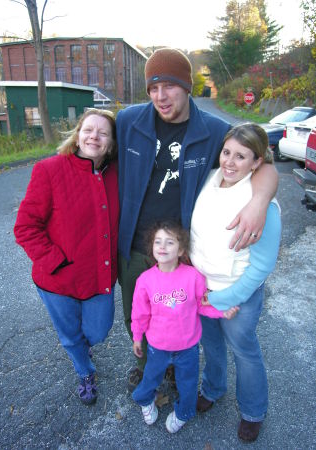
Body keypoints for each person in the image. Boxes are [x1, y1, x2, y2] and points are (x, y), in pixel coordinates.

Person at [116, 47, 279, 393]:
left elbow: (261, 162)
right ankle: (146, 363)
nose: (161, 96)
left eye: (170, 86)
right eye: (153, 88)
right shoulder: (128, 122)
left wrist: (261, 199)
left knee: (176, 314)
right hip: (134, 243)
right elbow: (93, 148)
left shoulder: (216, 131)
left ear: (187, 87)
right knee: (137, 311)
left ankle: (173, 367)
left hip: (182, 250)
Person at [14, 108, 119, 405]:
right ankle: (85, 371)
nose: (94, 136)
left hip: (99, 276)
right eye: (88, 129)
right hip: (57, 279)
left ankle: (84, 349)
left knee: (97, 332)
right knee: (71, 336)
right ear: (77, 135)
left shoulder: (117, 175)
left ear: (111, 143)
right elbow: (25, 227)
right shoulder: (49, 170)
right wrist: (55, 262)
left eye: (102, 132)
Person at [190, 123, 282, 442]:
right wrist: (201, 291)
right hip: (203, 290)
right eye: (226, 152)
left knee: (244, 351)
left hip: (237, 296)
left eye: (240, 157)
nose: (229, 162)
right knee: (211, 345)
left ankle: (253, 411)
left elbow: (262, 266)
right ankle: (213, 388)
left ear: (257, 163)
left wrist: (224, 299)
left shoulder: (261, 202)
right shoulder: (209, 179)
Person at [131, 220, 239, 433]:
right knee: (151, 377)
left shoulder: (193, 277)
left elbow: (202, 305)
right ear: (152, 248)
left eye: (169, 242)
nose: (162, 247)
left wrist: (222, 312)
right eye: (158, 242)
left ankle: (183, 413)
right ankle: (145, 400)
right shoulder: (145, 280)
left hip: (187, 348)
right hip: (158, 347)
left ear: (180, 249)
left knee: (188, 384)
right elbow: (140, 312)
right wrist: (137, 336)